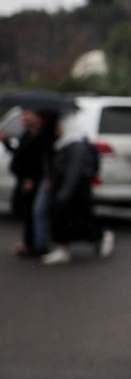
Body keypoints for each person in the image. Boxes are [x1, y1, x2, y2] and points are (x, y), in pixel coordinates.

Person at [39, 121, 113, 265]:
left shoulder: (76, 145)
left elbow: (74, 170)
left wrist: (64, 193)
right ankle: (62, 248)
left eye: (59, 127)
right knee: (69, 221)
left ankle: (102, 235)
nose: (57, 130)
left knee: (79, 222)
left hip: (74, 191)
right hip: (66, 189)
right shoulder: (64, 143)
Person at [2, 109, 55, 258]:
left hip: (34, 181)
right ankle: (29, 243)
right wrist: (6, 142)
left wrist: (31, 178)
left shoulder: (43, 136)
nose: (24, 118)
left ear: (37, 117)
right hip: (23, 179)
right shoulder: (27, 134)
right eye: (23, 115)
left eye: (28, 114)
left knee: (35, 212)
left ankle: (37, 245)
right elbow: (19, 155)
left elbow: (42, 162)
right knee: (26, 212)